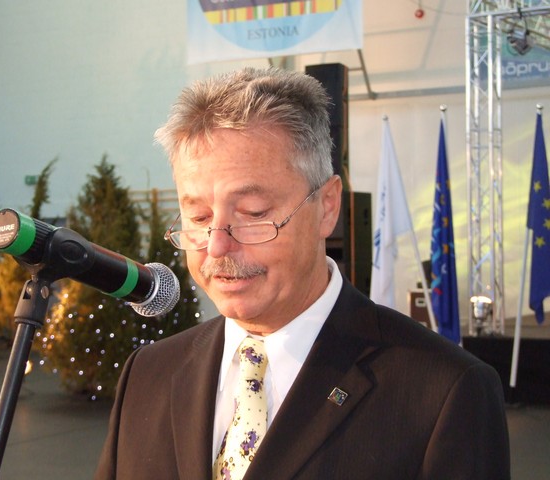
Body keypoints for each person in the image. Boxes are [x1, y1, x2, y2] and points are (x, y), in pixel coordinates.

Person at [94, 67, 510, 480]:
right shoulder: (148, 375)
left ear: (327, 207)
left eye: (253, 213)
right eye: (199, 217)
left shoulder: (444, 393)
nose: (217, 246)